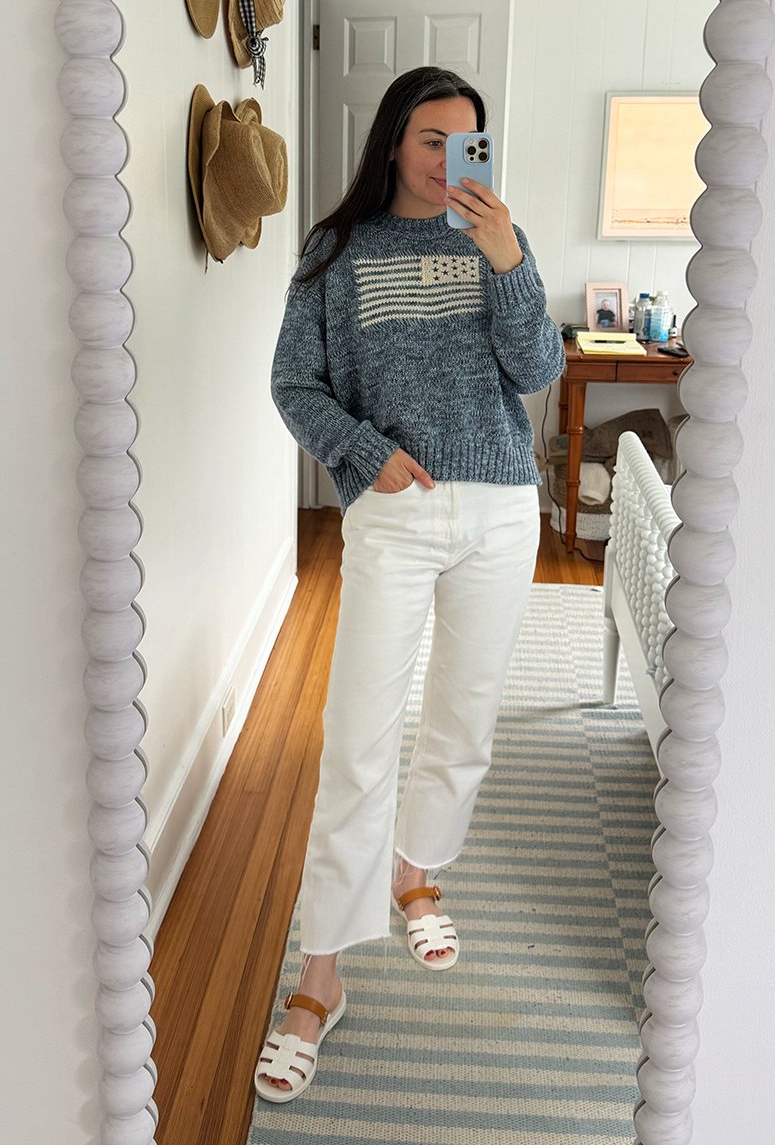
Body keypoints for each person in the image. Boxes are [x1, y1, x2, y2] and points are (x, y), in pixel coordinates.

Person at [254, 66, 565, 1102]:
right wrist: (361, 453)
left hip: (500, 508)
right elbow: (293, 382)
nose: (448, 161)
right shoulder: (335, 251)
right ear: (393, 141)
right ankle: (320, 980)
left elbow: (536, 372)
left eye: (465, 142)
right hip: (394, 508)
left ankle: (415, 874)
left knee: (462, 723)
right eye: (431, 140)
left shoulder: (496, 243)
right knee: (357, 739)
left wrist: (507, 260)